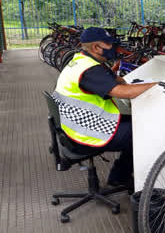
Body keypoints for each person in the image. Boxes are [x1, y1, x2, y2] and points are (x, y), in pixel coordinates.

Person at [52, 27, 156, 188]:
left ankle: (119, 175)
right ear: (96, 47)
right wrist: (158, 85)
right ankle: (120, 177)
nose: (114, 48)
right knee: (145, 130)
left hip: (73, 126)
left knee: (136, 120)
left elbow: (114, 80)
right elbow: (122, 92)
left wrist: (120, 79)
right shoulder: (90, 70)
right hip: (85, 133)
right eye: (109, 44)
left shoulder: (81, 60)